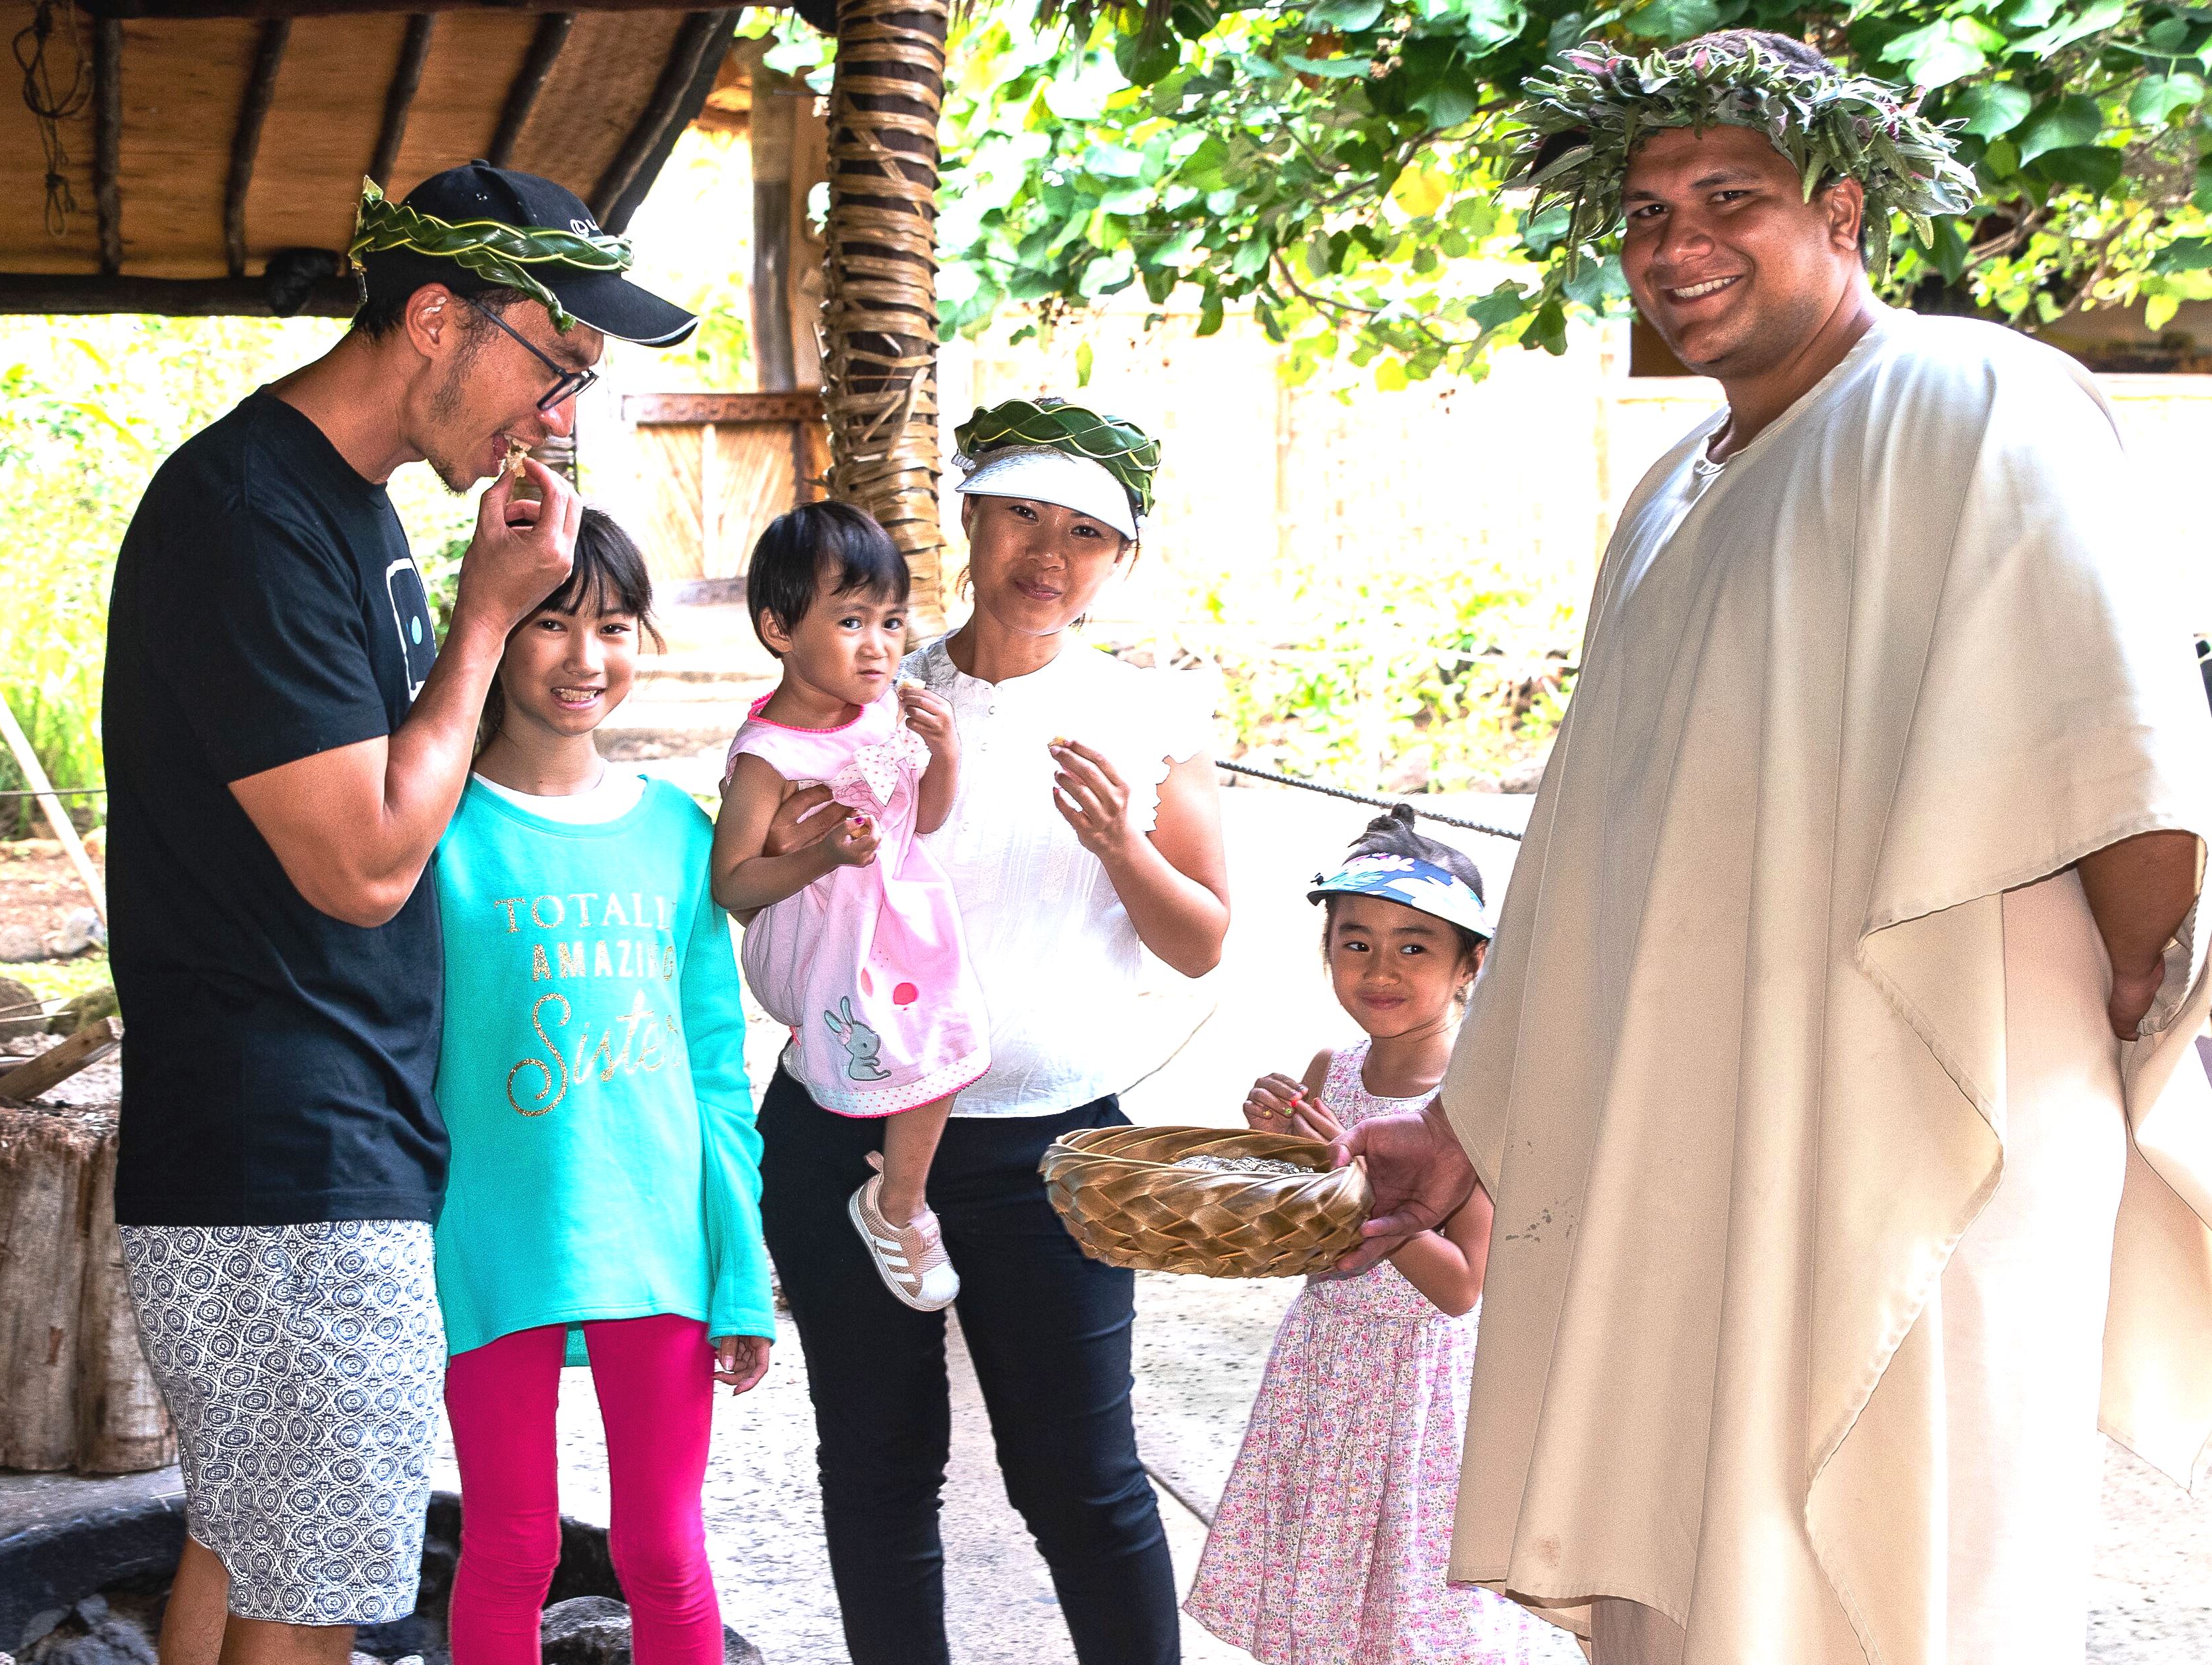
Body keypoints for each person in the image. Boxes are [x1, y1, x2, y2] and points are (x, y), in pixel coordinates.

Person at [1329, 31, 2212, 1665]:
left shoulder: (1971, 396)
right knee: (1702, 1544)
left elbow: (2126, 766)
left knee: (1899, 1550)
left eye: (1726, 198)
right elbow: (1602, 846)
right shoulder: (1672, 483)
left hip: (1924, 1096)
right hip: (1706, 1118)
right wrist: (1470, 1121)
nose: (1674, 246)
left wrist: (2127, 981)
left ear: (1844, 210)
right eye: (1645, 212)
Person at [102, 161, 703, 1665]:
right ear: (435, 317)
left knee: (242, 1547)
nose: (558, 415)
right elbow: (365, 860)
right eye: (555, 364)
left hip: (291, 1144)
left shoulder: (343, 510)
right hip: (292, 1154)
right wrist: (492, 611)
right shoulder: (248, 513)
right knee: (303, 1602)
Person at [754, 397, 1230, 1664]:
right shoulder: (865, 686)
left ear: (1118, 562)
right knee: (874, 1465)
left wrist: (1120, 845)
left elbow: (1199, 938)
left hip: (1049, 1154)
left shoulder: (1145, 717)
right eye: (1022, 511)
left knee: (1080, 1479)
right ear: (967, 515)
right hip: (844, 1134)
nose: (1048, 552)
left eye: (1087, 532)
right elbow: (763, 920)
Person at [432, 512, 772, 1665]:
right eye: (549, 622)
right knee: (511, 1542)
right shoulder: (435, 833)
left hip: (657, 1238)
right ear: (490, 632)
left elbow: (717, 1071)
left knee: (664, 1548)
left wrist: (740, 1269)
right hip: (487, 1238)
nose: (584, 658)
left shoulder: (678, 834)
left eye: (612, 625)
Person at [1185, 812, 1576, 1665]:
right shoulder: (1333, 1067)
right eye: (1354, 942)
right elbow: (1302, 1241)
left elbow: (1461, 1286)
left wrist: (1349, 1187)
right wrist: (1282, 1158)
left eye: (1413, 947)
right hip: (1327, 1366)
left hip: (1418, 1389)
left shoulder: (1470, 1099)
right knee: (1328, 1606)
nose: (1378, 968)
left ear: (1472, 963)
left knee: (1412, 1611)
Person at [711, 501, 987, 1311]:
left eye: (893, 620)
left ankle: (896, 1199)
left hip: (890, 922)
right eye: (851, 620)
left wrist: (944, 754)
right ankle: (896, 1202)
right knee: (919, 1030)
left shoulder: (886, 710)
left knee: (953, 1031)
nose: (880, 645)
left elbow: (922, 818)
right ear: (779, 628)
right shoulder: (770, 755)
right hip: (813, 937)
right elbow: (731, 884)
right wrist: (819, 854)